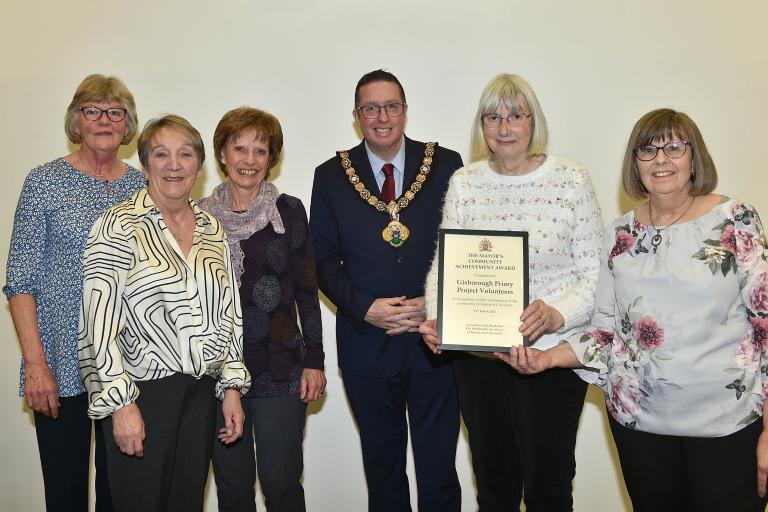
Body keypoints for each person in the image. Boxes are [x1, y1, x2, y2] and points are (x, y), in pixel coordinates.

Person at [499, 108, 768, 511]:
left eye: (674, 147)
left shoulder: (735, 220)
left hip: (727, 425)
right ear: (634, 163)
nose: (661, 160)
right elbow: (606, 331)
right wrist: (545, 359)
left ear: (695, 157)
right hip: (639, 426)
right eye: (648, 150)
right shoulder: (620, 232)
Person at [420, 73, 603, 511]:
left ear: (533, 121)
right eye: (492, 117)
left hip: (552, 358)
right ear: (481, 125)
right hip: (480, 360)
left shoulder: (572, 180)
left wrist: (556, 314)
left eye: (515, 116)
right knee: (494, 486)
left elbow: (597, 276)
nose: (504, 127)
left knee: (549, 486)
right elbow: (444, 265)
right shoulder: (466, 182)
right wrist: (436, 314)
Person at [78, 114, 251, 512]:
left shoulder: (212, 230)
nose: (174, 165)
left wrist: (231, 389)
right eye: (161, 154)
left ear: (200, 166)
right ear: (145, 164)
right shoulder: (117, 225)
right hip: (141, 394)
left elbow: (230, 316)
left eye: (185, 154)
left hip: (200, 396)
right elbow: (96, 325)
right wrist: (120, 404)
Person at [309, 69, 463, 511]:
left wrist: (433, 303)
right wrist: (366, 308)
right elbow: (320, 260)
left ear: (405, 111)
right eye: (371, 108)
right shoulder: (331, 175)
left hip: (436, 343)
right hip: (366, 346)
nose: (382, 117)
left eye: (391, 106)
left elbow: (468, 247)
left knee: (439, 471)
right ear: (356, 116)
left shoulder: (447, 163)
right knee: (383, 468)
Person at [4, 73, 144, 511]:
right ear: (76, 120)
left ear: (127, 125)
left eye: (115, 112)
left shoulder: (143, 186)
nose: (104, 120)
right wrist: (35, 364)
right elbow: (20, 281)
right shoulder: (43, 181)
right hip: (59, 364)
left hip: (127, 366)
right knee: (64, 494)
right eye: (92, 111)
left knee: (120, 495)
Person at [199, 106, 326, 512]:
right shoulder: (198, 218)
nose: (249, 160)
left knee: (281, 483)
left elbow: (307, 290)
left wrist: (315, 360)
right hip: (217, 373)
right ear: (222, 154)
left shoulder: (288, 211)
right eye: (240, 148)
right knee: (233, 490)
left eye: (260, 150)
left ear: (271, 158)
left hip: (281, 369)